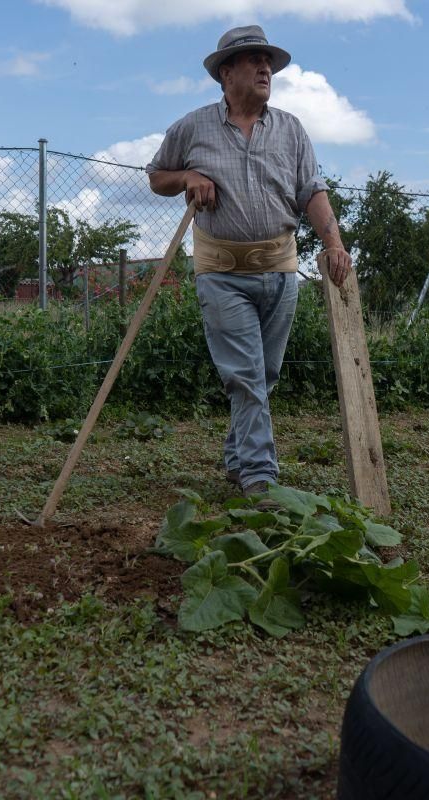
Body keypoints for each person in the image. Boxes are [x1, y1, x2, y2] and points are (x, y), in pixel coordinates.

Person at [147, 24, 352, 500]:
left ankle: (238, 460)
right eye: (253, 61)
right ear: (225, 74)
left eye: (268, 63)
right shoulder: (193, 127)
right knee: (244, 376)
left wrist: (334, 243)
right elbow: (157, 177)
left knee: (263, 377)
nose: (265, 69)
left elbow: (311, 193)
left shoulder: (291, 129)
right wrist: (189, 177)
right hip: (221, 274)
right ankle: (261, 481)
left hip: (280, 271)